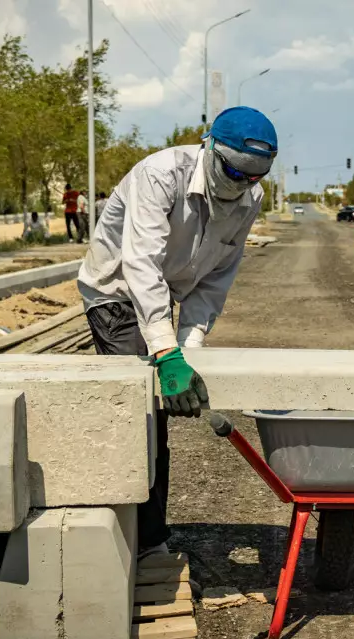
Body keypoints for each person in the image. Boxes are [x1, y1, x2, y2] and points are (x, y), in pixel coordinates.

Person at [77, 106, 277, 558]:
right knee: (142, 416)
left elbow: (216, 277)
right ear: (210, 147)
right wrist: (165, 353)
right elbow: (141, 262)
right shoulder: (161, 174)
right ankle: (143, 541)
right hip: (117, 290)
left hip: (160, 292)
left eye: (255, 175)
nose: (244, 183)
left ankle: (143, 533)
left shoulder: (250, 197)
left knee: (156, 412)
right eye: (236, 171)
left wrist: (189, 350)